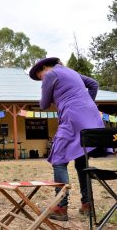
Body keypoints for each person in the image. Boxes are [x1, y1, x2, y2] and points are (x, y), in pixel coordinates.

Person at [29, 57, 108, 221]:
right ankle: (87, 205)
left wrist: (51, 95)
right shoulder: (72, 72)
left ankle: (60, 206)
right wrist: (85, 103)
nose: (42, 80)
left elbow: (43, 104)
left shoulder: (51, 74)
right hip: (92, 118)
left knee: (58, 159)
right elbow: (94, 84)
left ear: (44, 67)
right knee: (81, 161)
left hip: (72, 118)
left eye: (40, 76)